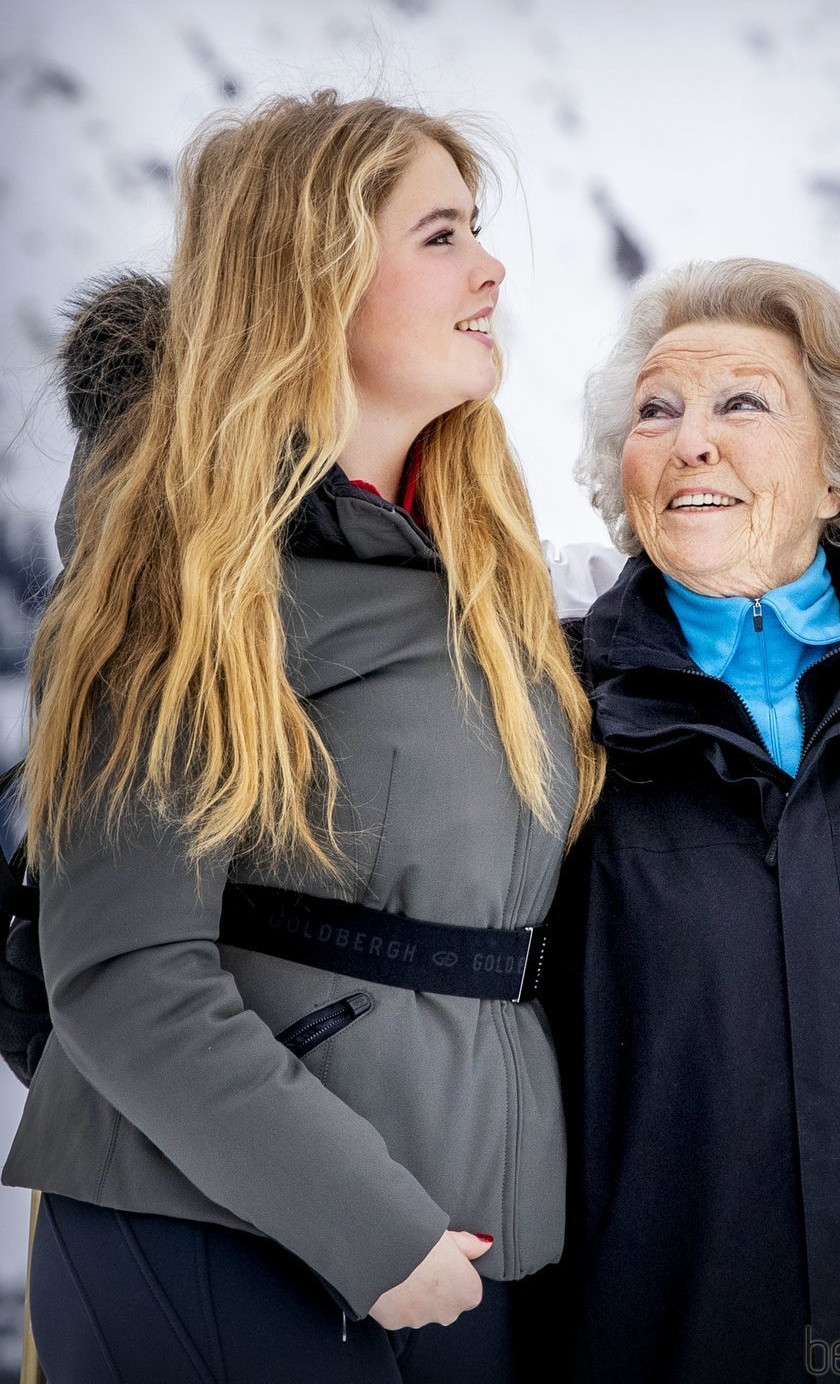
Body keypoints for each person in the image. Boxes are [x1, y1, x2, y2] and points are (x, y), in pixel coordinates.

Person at [0, 90, 603, 1384]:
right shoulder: (183, 562)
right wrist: (376, 1233)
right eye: (443, 233)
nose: (491, 267)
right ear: (311, 272)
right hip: (232, 1242)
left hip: (459, 1251)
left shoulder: (462, 566)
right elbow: (123, 973)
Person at [553, 259, 840, 1382]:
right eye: (657, 410)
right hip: (659, 1342)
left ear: (837, 467)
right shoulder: (540, 697)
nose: (692, 439)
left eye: (741, 402)